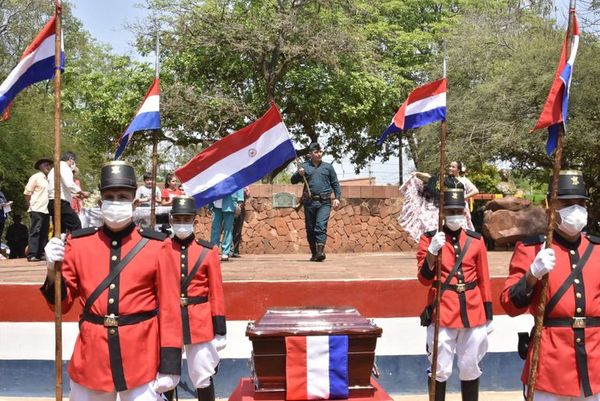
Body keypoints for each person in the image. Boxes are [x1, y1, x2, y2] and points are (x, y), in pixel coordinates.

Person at [40, 160, 182, 401]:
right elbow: (60, 306)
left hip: (141, 358)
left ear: (135, 202)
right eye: (110, 196)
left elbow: (170, 309)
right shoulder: (78, 244)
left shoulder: (158, 246)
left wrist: (170, 364)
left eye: (123, 196)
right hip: (92, 358)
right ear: (100, 201)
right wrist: (52, 270)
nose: (116, 202)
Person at [501, 170, 600, 401]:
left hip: (595, 363)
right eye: (566, 203)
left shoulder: (597, 250)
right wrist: (531, 276)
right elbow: (509, 304)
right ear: (550, 209)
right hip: (549, 364)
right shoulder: (531, 250)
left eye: (580, 203)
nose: (575, 209)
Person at [417, 188, 493, 401]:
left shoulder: (476, 240)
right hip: (442, 312)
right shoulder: (429, 240)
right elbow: (423, 279)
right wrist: (432, 252)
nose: (454, 215)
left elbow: (484, 280)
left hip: (473, 312)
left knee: (470, 367)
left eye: (458, 210)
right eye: (450, 211)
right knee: (439, 368)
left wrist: (489, 315)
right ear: (442, 213)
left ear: (464, 211)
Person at [163, 196, 226, 401]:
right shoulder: (160, 250)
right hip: (168, 322)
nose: (182, 223)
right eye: (178, 219)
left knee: (203, 374)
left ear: (195, 221)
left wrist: (220, 330)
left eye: (187, 219)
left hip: (199, 322)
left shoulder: (208, 252)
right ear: (171, 220)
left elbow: (216, 293)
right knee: (166, 376)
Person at [290, 142, 341, 262]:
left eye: (320, 151)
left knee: (320, 226)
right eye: (316, 152)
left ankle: (320, 252)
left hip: (325, 202)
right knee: (310, 228)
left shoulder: (328, 167)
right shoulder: (304, 166)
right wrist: (299, 173)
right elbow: (293, 181)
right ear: (310, 154)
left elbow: (335, 183)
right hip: (309, 203)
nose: (319, 154)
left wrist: (337, 198)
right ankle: (314, 253)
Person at [47, 151, 89, 233]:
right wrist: (82, 192)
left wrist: (75, 195)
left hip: (52, 202)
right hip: (61, 203)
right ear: (71, 160)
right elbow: (69, 184)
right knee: (76, 225)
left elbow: (60, 187)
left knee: (60, 229)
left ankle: (58, 244)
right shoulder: (64, 167)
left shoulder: (53, 169)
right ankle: (77, 245)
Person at [24, 158, 52, 261]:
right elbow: (27, 192)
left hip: (46, 209)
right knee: (36, 230)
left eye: (49, 165)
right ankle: (32, 254)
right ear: (40, 166)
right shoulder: (35, 177)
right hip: (36, 208)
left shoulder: (48, 179)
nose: (48, 167)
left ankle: (40, 253)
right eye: (46, 165)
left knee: (45, 231)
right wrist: (29, 204)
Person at [209, 189, 244, 262]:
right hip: (216, 204)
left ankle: (225, 252)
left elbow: (238, 182)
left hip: (229, 203)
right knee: (215, 229)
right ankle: (214, 250)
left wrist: (240, 199)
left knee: (228, 229)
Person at [230, 187, 249, 258]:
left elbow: (248, 194)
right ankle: (229, 250)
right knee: (229, 229)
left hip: (240, 208)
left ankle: (235, 250)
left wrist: (245, 191)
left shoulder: (245, 184)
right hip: (229, 206)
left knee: (238, 230)